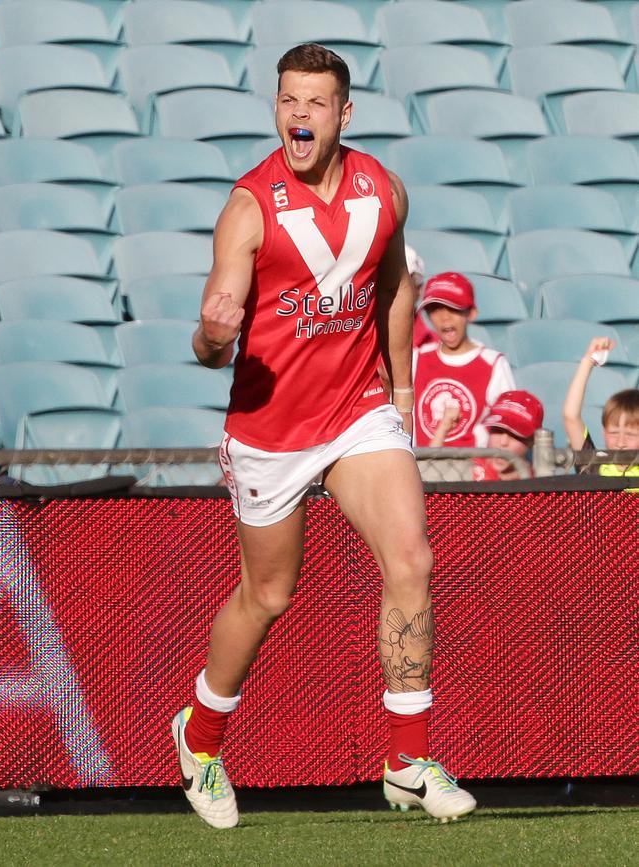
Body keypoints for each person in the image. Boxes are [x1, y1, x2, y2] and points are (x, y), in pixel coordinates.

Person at [172, 43, 476, 830]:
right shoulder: (250, 207)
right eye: (287, 100)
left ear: (345, 114)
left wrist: (401, 391)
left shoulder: (384, 189)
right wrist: (211, 336)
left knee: (412, 557)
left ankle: (406, 759)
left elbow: (396, 287)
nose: (298, 115)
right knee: (268, 595)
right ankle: (200, 739)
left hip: (358, 410)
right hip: (271, 429)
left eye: (315, 102)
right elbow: (209, 340)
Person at [412, 272, 515, 448]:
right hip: (421, 467)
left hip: (472, 467)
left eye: (453, 308)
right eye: (435, 310)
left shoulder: (492, 363)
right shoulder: (417, 358)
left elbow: (508, 423)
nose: (445, 317)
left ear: (472, 313)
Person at [563, 336, 639, 478]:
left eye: (631, 435)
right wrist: (588, 361)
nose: (620, 443)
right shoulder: (593, 465)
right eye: (613, 433)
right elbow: (570, 416)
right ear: (604, 432)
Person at [471, 390, 544, 481]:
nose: (503, 442)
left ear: (531, 440)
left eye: (515, 435)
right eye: (497, 430)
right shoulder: (467, 471)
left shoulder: (540, 486)